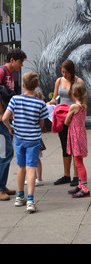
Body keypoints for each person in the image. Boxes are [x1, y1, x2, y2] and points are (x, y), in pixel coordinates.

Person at [2, 72, 48, 213]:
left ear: (22, 85)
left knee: (21, 167)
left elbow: (5, 118)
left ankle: (19, 197)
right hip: (33, 140)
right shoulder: (40, 103)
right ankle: (30, 200)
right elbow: (41, 124)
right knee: (31, 168)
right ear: (37, 85)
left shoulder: (15, 99)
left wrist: (11, 129)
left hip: (19, 138)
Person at [47, 59, 84, 186]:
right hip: (61, 117)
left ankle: (76, 175)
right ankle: (66, 175)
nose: (64, 74)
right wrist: (49, 104)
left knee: (74, 147)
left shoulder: (79, 82)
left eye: (66, 72)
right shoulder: (59, 80)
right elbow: (54, 98)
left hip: (73, 117)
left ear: (71, 72)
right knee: (64, 146)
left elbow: (83, 101)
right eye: (62, 71)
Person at [0, 48, 27, 201]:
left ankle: (2, 186)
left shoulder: (11, 74)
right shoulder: (2, 71)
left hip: (6, 118)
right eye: (20, 62)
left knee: (5, 152)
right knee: (6, 152)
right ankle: (0, 188)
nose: (21, 65)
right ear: (12, 60)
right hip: (1, 119)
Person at [65, 82, 89, 198]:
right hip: (80, 134)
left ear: (74, 94)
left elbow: (66, 121)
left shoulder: (74, 107)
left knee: (79, 163)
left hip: (76, 136)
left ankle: (85, 188)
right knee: (78, 161)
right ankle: (80, 185)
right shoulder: (83, 106)